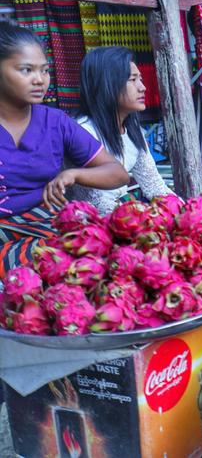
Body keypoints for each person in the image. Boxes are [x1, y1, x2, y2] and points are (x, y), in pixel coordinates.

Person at [0, 22, 129, 278]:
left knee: (97, 248)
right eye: (26, 70)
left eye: (45, 71)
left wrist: (74, 175)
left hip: (46, 225)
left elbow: (118, 173)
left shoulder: (56, 122)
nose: (40, 80)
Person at [67, 47, 174, 215]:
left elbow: (153, 185)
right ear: (108, 83)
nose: (143, 87)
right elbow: (98, 202)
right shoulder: (83, 132)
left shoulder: (132, 130)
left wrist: (184, 210)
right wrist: (143, 221)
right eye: (133, 80)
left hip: (122, 216)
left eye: (141, 79)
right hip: (90, 227)